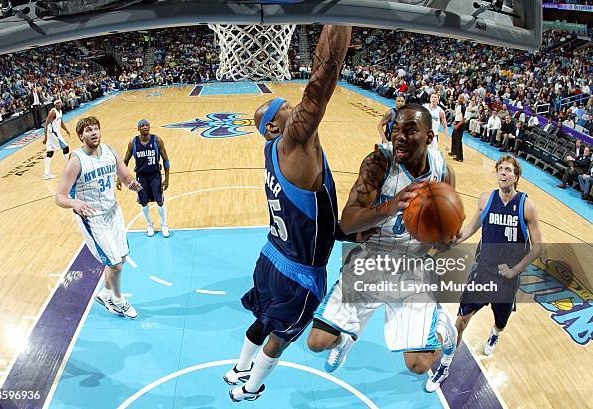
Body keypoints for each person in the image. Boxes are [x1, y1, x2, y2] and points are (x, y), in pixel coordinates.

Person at [225, 25, 354, 403]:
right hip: (298, 270)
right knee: (280, 336)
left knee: (261, 320)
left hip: (271, 257)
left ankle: (239, 368)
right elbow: (320, 83)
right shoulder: (292, 142)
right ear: (275, 127)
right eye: (286, 108)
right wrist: (341, 18)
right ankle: (251, 389)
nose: (294, 106)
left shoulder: (273, 151)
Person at [307, 103, 458, 389]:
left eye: (410, 131)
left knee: (418, 366)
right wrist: (389, 207)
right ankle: (346, 338)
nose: (399, 136)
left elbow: (446, 224)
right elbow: (348, 223)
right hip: (371, 260)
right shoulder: (378, 164)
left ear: (429, 137)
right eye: (396, 130)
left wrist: (446, 235)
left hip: (411, 267)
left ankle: (441, 329)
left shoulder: (442, 171)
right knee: (317, 342)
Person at [426, 155, 542, 391]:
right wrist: (450, 241)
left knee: (501, 322)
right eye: (500, 169)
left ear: (516, 177)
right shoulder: (486, 199)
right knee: (462, 319)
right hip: (483, 272)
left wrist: (514, 271)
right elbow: (471, 228)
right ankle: (445, 366)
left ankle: (494, 333)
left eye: (508, 170)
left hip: (507, 280)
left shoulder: (526, 206)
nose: (503, 173)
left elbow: (538, 247)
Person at [55, 116, 142, 319]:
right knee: (115, 265)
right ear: (80, 136)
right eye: (88, 130)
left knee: (120, 258)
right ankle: (119, 301)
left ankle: (105, 293)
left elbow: (125, 176)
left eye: (96, 129)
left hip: (113, 212)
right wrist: (74, 203)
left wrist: (133, 185)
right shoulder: (76, 160)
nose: (93, 132)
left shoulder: (110, 151)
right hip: (93, 219)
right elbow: (59, 197)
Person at [118, 119, 171, 238]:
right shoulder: (133, 143)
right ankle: (149, 225)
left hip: (155, 175)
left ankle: (164, 225)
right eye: (142, 125)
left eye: (147, 125)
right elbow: (125, 161)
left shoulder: (157, 140)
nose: (145, 127)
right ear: (138, 129)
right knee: (143, 202)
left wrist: (167, 178)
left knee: (160, 201)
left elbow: (166, 160)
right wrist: (119, 178)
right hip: (141, 177)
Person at [42, 99, 71, 180]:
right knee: (66, 148)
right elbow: (46, 124)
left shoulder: (60, 111)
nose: (59, 104)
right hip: (53, 133)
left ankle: (46, 174)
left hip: (54, 133)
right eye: (57, 103)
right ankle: (69, 169)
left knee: (50, 153)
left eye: (60, 102)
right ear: (54, 104)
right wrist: (45, 137)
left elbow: (60, 122)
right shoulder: (53, 112)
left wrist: (66, 130)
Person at [450, 94, 466, 162]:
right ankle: (454, 152)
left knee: (458, 140)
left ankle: (460, 157)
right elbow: (457, 115)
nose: (459, 99)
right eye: (458, 98)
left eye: (460, 98)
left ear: (463, 99)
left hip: (460, 124)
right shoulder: (458, 106)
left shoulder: (463, 107)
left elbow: (464, 118)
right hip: (457, 122)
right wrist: (454, 121)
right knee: (453, 137)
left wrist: (458, 125)